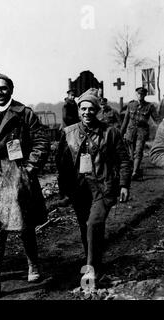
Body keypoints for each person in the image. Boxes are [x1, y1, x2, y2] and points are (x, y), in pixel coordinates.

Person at [0, 71, 50, 296]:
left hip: (18, 177)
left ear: (11, 90)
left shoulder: (24, 113)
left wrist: (29, 169)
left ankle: (33, 264)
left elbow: (41, 141)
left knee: (24, 224)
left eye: (3, 88)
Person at [56, 88, 131, 290]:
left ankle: (90, 271)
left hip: (103, 187)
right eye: (83, 108)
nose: (87, 112)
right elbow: (61, 164)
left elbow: (124, 160)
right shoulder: (68, 133)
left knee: (93, 224)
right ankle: (95, 263)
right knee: (85, 229)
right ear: (78, 110)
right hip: (79, 189)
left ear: (97, 110)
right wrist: (63, 191)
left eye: (91, 108)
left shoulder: (111, 133)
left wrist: (123, 184)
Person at [120, 87, 160, 180]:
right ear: (136, 94)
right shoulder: (131, 105)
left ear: (145, 95)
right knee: (131, 153)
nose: (140, 96)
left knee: (138, 151)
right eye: (138, 94)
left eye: (142, 94)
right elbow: (125, 120)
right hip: (130, 132)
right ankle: (134, 170)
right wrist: (121, 133)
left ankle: (134, 172)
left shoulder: (149, 106)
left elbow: (156, 119)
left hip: (142, 132)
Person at [57, 89, 79, 206]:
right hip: (68, 130)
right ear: (68, 95)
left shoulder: (74, 104)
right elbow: (66, 118)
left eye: (74, 95)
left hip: (73, 130)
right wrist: (77, 123)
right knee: (64, 161)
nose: (72, 97)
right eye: (71, 95)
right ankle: (63, 194)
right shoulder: (66, 105)